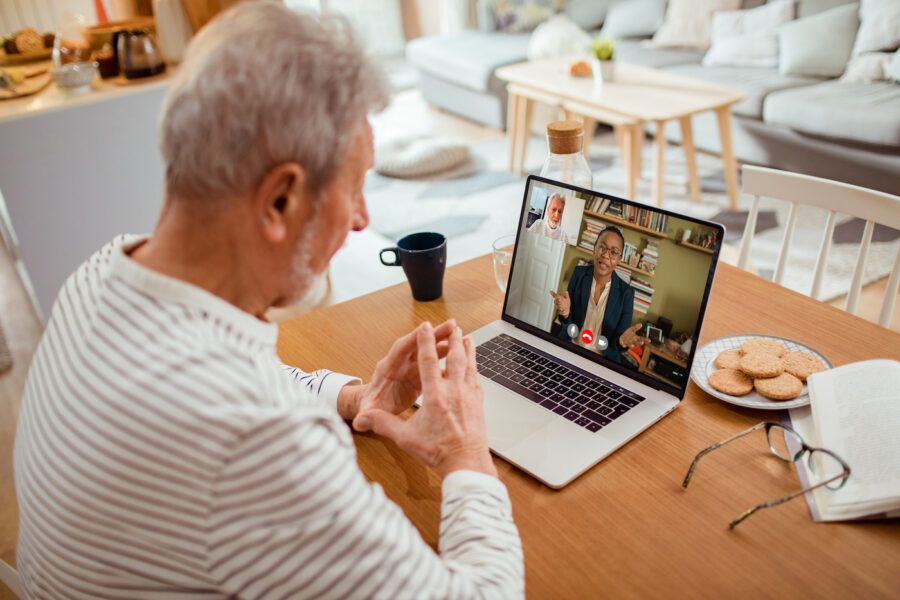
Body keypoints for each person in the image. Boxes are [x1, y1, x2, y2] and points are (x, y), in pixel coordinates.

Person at [13, 3, 523, 598]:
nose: (362, 220)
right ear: (280, 200)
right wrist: (464, 451)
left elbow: (250, 377)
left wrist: (357, 396)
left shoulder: (104, 271)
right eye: (355, 188)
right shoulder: (253, 445)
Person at [550, 226, 645, 364]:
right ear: (594, 248)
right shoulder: (579, 274)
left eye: (614, 252)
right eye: (602, 247)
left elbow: (617, 345)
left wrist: (621, 342)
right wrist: (565, 313)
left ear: (619, 259)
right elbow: (568, 323)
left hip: (602, 361)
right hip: (569, 347)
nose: (606, 255)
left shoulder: (626, 294)